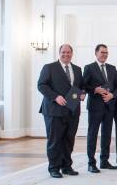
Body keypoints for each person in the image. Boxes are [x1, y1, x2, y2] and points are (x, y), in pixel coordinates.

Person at [37, 44, 86, 178]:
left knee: (69, 140)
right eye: (63, 52)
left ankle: (66, 166)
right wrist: (55, 97)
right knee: (55, 140)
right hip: (54, 110)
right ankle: (54, 168)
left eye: (69, 52)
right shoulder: (49, 67)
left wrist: (83, 94)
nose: (66, 54)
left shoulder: (77, 69)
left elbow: (81, 87)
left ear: (72, 54)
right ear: (59, 53)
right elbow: (41, 85)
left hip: (73, 110)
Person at [82, 44, 117, 173]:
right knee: (92, 135)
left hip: (109, 106)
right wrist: (94, 89)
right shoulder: (89, 68)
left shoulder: (112, 68)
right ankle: (91, 163)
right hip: (95, 107)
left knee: (107, 135)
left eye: (106, 52)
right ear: (96, 53)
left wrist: (112, 95)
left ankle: (104, 161)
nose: (104, 54)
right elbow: (83, 85)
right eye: (102, 52)